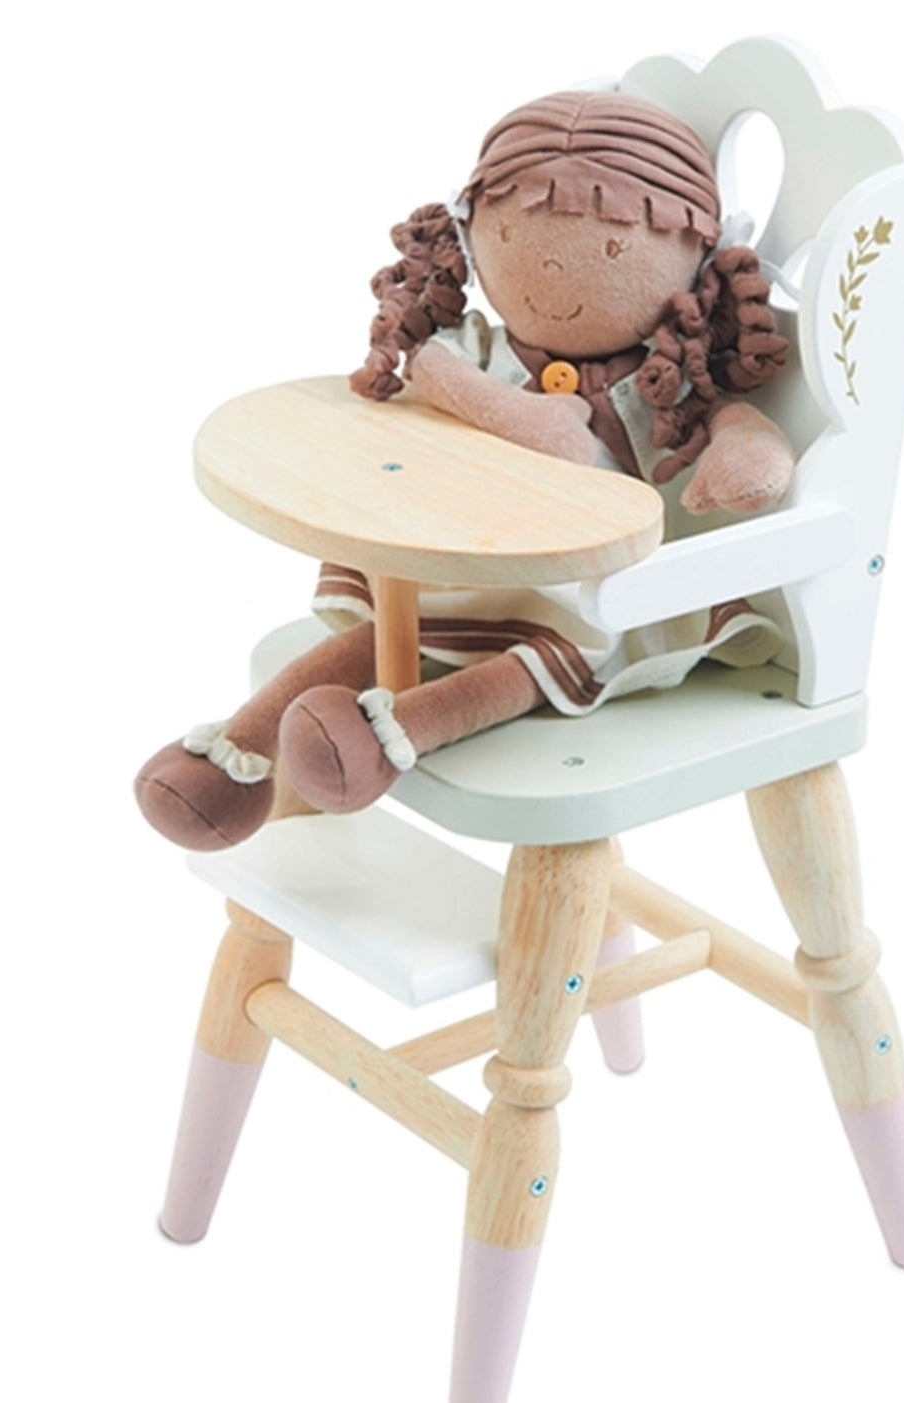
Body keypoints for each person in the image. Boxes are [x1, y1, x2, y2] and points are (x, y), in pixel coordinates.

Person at [135, 90, 795, 850]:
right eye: (506, 235)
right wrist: (477, 396)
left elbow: (724, 421)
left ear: (696, 265)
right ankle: (238, 751)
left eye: (613, 254)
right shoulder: (478, 349)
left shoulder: (663, 381)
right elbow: (421, 381)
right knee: (395, 625)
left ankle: (389, 738)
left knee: (533, 655)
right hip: (459, 553)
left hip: (587, 590)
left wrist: (745, 452)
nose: (548, 272)